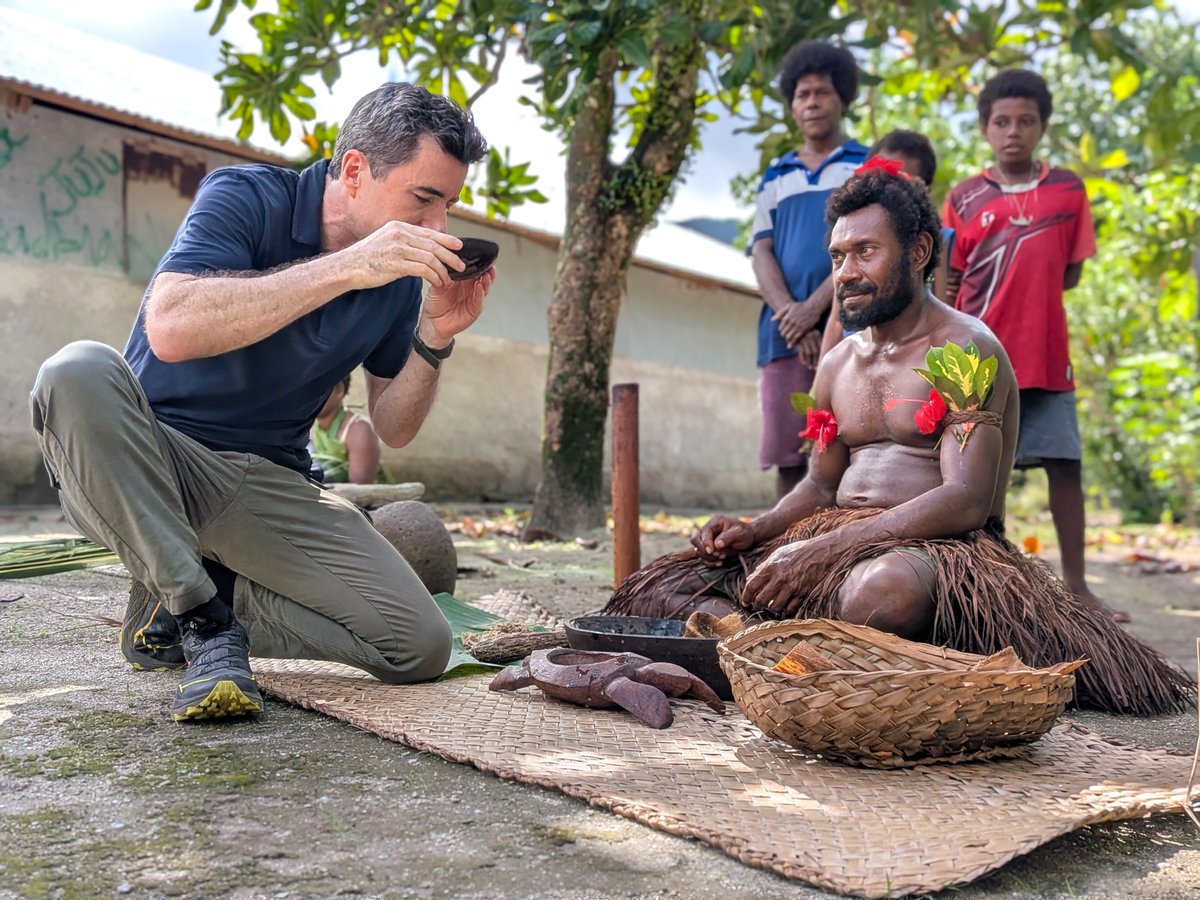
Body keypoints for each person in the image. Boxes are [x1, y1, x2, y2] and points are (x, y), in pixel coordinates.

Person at [606, 163, 1190, 715]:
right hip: (832, 533)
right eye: (837, 255)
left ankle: (776, 647)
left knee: (879, 595)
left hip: (935, 548)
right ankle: (789, 651)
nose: (846, 273)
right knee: (665, 586)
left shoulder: (965, 348)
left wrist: (833, 549)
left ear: (917, 253)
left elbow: (966, 499)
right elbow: (819, 483)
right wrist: (754, 531)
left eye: (865, 251)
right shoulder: (835, 363)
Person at [29, 83, 493, 722]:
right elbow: (171, 327)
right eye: (424, 198)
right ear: (355, 170)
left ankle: (183, 605)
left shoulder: (395, 282)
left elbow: (395, 425)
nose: (438, 227)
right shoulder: (245, 196)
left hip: (266, 482)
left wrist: (436, 337)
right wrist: (347, 267)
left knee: (418, 646)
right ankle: (200, 615)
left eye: (449, 205)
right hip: (151, 467)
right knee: (74, 369)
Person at [941, 70, 1126, 622]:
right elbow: (950, 282)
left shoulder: (1068, 190)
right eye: (1002, 122)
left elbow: (1068, 274)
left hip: (1046, 353)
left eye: (1026, 121)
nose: (1013, 132)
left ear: (1043, 127)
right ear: (984, 129)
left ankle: (1077, 585)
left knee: (1064, 463)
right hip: (978, 360)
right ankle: (981, 581)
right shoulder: (964, 197)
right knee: (973, 471)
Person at [749, 40, 868, 500]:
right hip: (780, 333)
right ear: (792, 106)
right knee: (788, 452)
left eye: (822, 92)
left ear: (843, 99)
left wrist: (818, 310)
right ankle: (785, 555)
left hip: (853, 327)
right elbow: (761, 251)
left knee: (847, 441)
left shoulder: (865, 166)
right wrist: (793, 320)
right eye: (803, 94)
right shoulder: (775, 175)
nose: (813, 102)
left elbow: (866, 247)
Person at [820, 130, 954, 358]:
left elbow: (941, 309)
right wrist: (819, 385)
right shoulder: (849, 240)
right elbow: (835, 320)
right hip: (855, 359)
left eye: (899, 181)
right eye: (878, 179)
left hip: (911, 358)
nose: (886, 190)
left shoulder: (939, 239)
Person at [311, 373, 389, 484]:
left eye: (318, 390)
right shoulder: (310, 428)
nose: (310, 397)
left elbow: (360, 489)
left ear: (339, 390)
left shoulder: (358, 429)